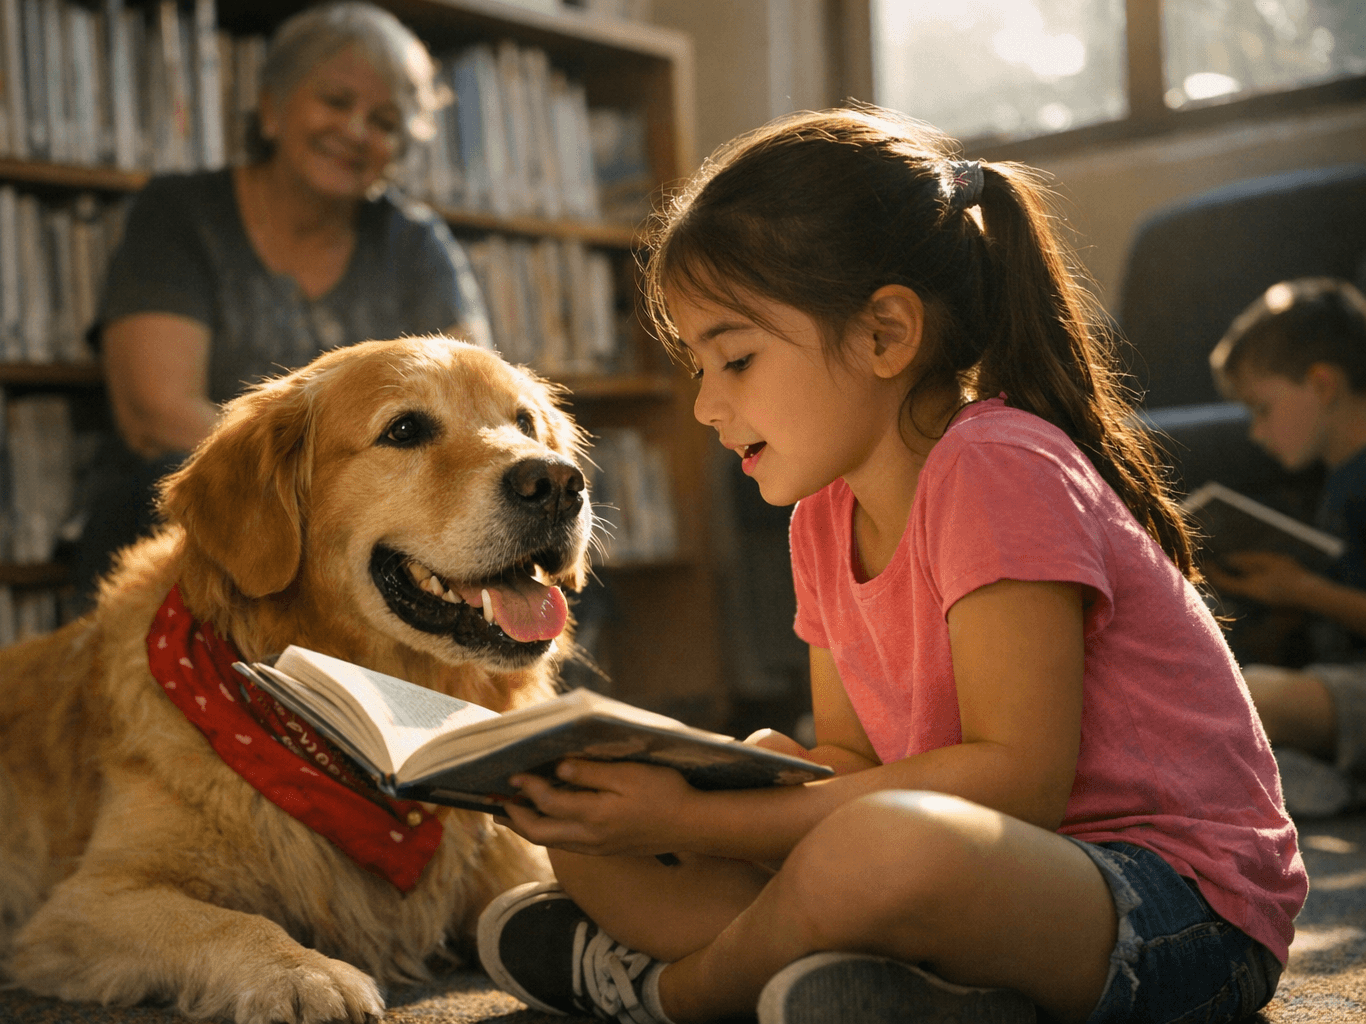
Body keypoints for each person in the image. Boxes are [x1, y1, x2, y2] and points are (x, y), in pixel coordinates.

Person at [473, 106, 1305, 1024]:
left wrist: (695, 823)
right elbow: (848, 758)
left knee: (874, 851)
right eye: (697, 368)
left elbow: (1015, 781)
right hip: (988, 877)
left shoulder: (999, 466)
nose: (707, 407)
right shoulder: (821, 518)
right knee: (619, 820)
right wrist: (679, 795)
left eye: (735, 359)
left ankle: (680, 990)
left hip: (1177, 906)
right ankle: (899, 996)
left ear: (884, 335)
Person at [74, 2, 490, 594]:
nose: (356, 130)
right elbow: (154, 413)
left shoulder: (418, 243)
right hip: (208, 504)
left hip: (374, 514)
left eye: (385, 120)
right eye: (337, 101)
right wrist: (312, 489)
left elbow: (476, 404)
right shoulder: (181, 215)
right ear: (271, 107)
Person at [1205, 277, 1366, 817]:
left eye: (1262, 408)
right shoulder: (1334, 482)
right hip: (1340, 679)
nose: (1255, 432)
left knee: (1256, 698)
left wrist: (1302, 590)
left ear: (1322, 384)